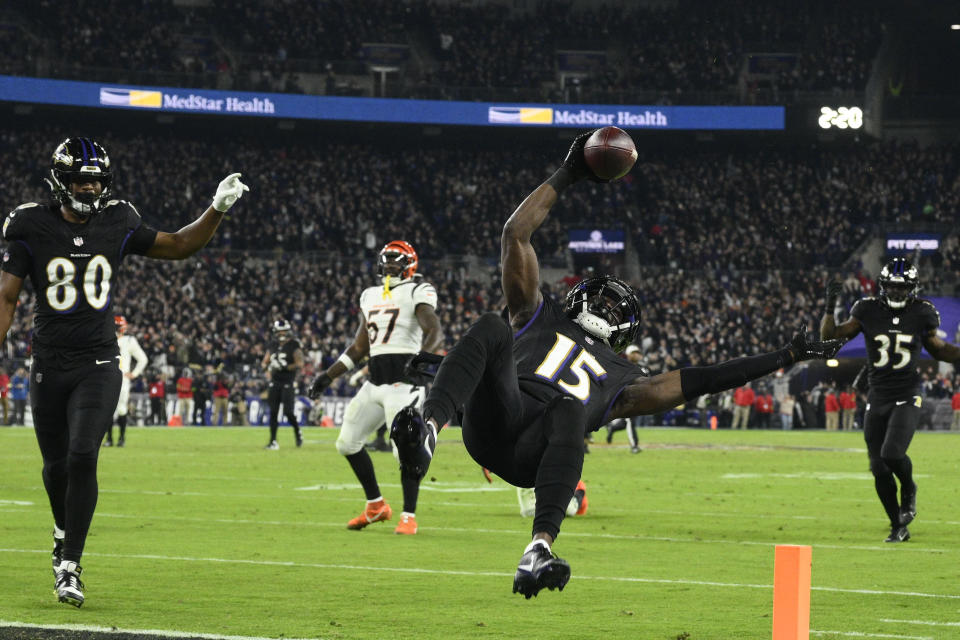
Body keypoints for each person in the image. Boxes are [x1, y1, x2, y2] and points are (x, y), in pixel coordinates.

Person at [387, 131, 841, 598]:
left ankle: (538, 546)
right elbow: (515, 234)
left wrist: (785, 356)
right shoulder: (538, 314)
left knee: (566, 409)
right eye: (600, 301)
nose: (604, 309)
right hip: (495, 418)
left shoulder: (628, 380)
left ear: (624, 332)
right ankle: (427, 429)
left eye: (613, 308)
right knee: (491, 325)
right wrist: (568, 173)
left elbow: (703, 379)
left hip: (535, 453)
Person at [0, 136, 248, 606]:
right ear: (60, 180)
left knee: (81, 455)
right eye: (82, 181)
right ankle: (61, 532)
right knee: (54, 468)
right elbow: (7, 298)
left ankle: (70, 564)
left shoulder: (119, 219)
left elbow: (178, 245)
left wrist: (217, 208)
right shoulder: (29, 223)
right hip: (49, 361)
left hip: (98, 360)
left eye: (97, 182)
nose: (91, 190)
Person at [308, 240, 443, 535]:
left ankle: (409, 516)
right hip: (375, 384)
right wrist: (328, 376)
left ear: (409, 264)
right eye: (387, 260)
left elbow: (434, 330)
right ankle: (376, 505)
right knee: (347, 442)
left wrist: (423, 360)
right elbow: (359, 347)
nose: (391, 265)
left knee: (405, 453)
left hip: (404, 384)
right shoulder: (370, 295)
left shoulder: (418, 290)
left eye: (396, 260)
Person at [821, 258, 960, 543]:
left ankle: (909, 488)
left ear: (912, 288)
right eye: (892, 287)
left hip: (907, 393)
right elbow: (831, 337)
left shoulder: (923, 312)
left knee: (892, 454)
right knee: (878, 467)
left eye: (902, 287)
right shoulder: (866, 309)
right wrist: (829, 308)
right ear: (883, 286)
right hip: (878, 394)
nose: (897, 292)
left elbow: (938, 349)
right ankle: (897, 524)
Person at [104, 315, 148, 447]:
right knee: (109, 410)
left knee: (121, 409)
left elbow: (143, 359)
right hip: (110, 378)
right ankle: (112, 439)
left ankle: (118, 439)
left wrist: (133, 374)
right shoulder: (107, 339)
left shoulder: (129, 341)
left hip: (120, 378)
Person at [261, 318, 304, 449]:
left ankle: (297, 432)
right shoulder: (273, 345)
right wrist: (268, 368)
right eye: (279, 331)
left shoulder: (294, 345)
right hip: (275, 382)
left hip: (288, 382)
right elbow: (264, 362)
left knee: (288, 412)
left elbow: (300, 364)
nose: (282, 334)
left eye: (284, 331)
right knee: (273, 412)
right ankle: (273, 441)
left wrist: (286, 366)